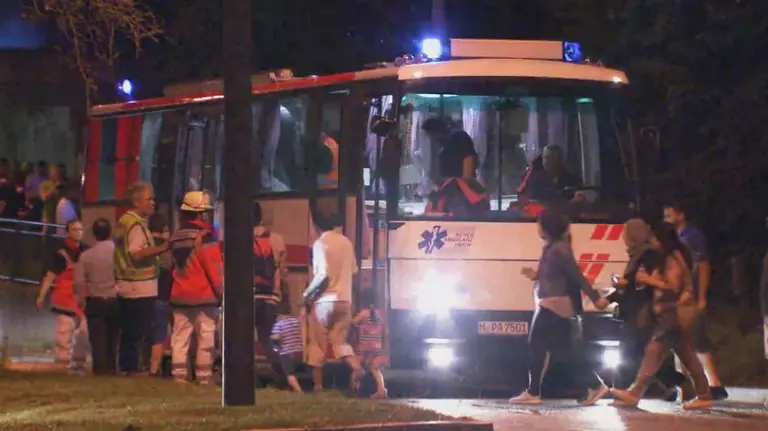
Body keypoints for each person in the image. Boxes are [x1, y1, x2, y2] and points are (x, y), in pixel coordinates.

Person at [509, 209, 610, 406]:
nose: (536, 227)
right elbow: (555, 275)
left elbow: (576, 275)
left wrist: (595, 297)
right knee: (562, 349)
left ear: (547, 226)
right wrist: (536, 276)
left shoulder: (559, 249)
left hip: (554, 304)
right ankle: (591, 385)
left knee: (539, 345)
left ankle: (536, 391)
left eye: (539, 223)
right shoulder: (552, 247)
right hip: (549, 303)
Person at [610, 222, 713, 409]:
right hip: (672, 314)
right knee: (687, 355)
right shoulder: (674, 256)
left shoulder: (672, 258)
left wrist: (647, 279)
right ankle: (704, 394)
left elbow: (673, 285)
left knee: (653, 352)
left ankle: (635, 392)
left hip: (672, 313)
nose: (653, 242)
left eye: (655, 238)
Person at [605, 219, 683, 392]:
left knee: (631, 350)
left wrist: (624, 286)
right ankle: (677, 383)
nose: (624, 237)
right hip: (635, 309)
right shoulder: (637, 255)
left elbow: (642, 283)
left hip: (641, 310)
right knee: (641, 352)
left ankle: (622, 389)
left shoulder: (647, 255)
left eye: (626, 233)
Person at [663, 203, 727, 400]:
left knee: (696, 340)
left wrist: (701, 297)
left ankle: (714, 384)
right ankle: (686, 385)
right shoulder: (676, 238)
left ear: (681, 214)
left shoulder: (692, 237)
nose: (665, 218)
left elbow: (703, 266)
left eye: (669, 213)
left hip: (690, 296)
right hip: (679, 295)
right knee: (680, 340)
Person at [300, 211, 363, 392]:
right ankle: (356, 368)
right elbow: (354, 272)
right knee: (340, 342)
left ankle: (318, 387)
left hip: (324, 302)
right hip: (345, 300)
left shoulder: (320, 243)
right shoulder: (347, 243)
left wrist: (306, 295)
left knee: (317, 345)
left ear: (318, 227)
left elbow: (322, 274)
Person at [168, 191, 223, 384]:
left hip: (179, 296)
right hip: (203, 297)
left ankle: (179, 378)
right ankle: (204, 379)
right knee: (205, 340)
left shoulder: (175, 237)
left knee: (180, 340)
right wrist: (222, 293)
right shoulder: (206, 237)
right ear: (201, 214)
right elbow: (214, 268)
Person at [114, 181, 169, 375]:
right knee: (139, 331)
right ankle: (134, 369)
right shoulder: (136, 224)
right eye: (148, 199)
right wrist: (162, 248)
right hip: (139, 287)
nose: (152, 203)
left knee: (129, 331)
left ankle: (127, 367)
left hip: (125, 284)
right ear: (137, 202)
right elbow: (136, 253)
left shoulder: (124, 221)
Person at [35, 220, 90, 374]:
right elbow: (50, 275)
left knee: (82, 331)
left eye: (80, 229)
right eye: (74, 229)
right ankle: (63, 362)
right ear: (68, 232)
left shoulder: (86, 251)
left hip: (81, 297)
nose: (78, 232)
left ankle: (79, 363)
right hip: (64, 297)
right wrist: (41, 295)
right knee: (63, 332)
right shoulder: (59, 252)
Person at [77, 218, 119, 376]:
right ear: (110, 232)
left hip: (95, 301)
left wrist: (81, 299)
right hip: (115, 300)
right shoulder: (118, 252)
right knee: (113, 339)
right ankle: (112, 368)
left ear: (94, 234)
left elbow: (79, 281)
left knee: (97, 340)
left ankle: (100, 370)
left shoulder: (86, 256)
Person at [252, 201, 288, 383]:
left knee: (244, 339)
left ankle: (248, 378)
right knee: (267, 340)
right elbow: (283, 272)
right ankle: (282, 376)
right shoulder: (277, 239)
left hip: (248, 297)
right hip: (270, 298)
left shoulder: (240, 239)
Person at [148, 213, 172, 376]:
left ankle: (138, 366)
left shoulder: (145, 245)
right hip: (162, 296)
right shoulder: (167, 249)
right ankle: (153, 370)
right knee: (159, 335)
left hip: (143, 295)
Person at [352, 288, 388, 399]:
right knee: (375, 369)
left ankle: (354, 389)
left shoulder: (363, 313)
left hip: (364, 347)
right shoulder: (380, 314)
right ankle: (381, 390)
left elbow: (353, 323)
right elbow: (385, 331)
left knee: (357, 368)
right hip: (377, 346)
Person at [518, 145, 583, 203]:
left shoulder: (572, 179)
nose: (547, 161)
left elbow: (579, 196)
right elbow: (531, 197)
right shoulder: (536, 178)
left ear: (560, 160)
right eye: (545, 158)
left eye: (551, 158)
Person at [271, 306, 305, 393]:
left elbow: (277, 337)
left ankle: (299, 391)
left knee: (289, 374)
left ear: (279, 315)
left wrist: (272, 338)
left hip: (287, 352)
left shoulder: (279, 324)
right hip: (300, 350)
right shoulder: (297, 321)